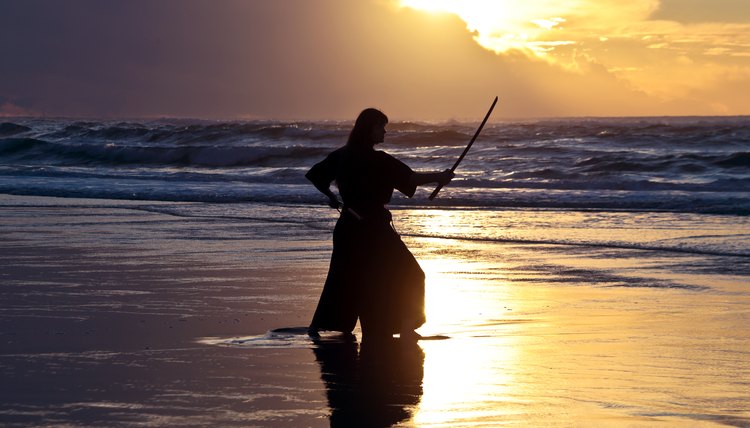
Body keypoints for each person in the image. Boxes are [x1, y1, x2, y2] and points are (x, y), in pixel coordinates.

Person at [306, 108, 453, 341]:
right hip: (373, 229)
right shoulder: (378, 160)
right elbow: (410, 178)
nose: (384, 131)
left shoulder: (341, 155)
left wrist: (332, 197)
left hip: (348, 226)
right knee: (411, 273)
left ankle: (327, 326)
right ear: (368, 129)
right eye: (380, 127)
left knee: (346, 278)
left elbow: (314, 175)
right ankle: (404, 327)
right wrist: (440, 176)